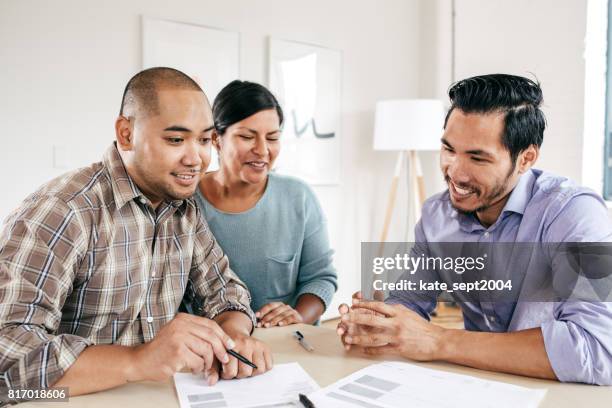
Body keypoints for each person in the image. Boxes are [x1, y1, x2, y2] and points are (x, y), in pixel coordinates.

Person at [0, 68, 271, 403]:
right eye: (175, 139)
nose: (196, 159)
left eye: (203, 140)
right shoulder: (63, 211)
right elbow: (6, 354)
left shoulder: (182, 208)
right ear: (126, 133)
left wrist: (233, 337)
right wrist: (138, 361)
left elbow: (224, 288)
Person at [337, 74, 612, 385]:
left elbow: (599, 349)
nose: (455, 172)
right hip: (474, 386)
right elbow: (411, 299)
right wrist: (380, 322)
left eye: (477, 158)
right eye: (449, 150)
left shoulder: (576, 214)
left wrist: (439, 341)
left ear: (526, 159)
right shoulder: (435, 216)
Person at [193, 80, 337, 328]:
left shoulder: (298, 197)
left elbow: (321, 278)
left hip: (287, 341)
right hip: (212, 348)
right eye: (247, 137)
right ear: (216, 139)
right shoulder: (186, 203)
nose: (262, 150)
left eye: (272, 138)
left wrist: (297, 317)